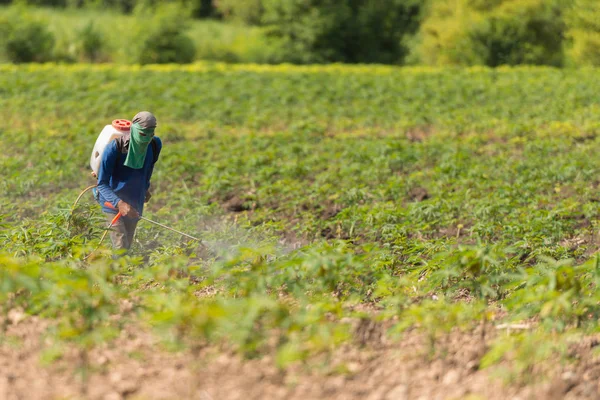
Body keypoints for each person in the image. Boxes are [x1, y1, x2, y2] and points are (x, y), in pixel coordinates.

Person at [95, 111, 162, 251]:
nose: (147, 139)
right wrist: (119, 203)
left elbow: (148, 169)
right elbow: (102, 184)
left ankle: (121, 271)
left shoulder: (155, 145)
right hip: (112, 201)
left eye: (151, 134)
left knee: (127, 246)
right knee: (120, 246)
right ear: (133, 129)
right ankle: (115, 271)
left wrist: (145, 188)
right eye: (143, 134)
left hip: (135, 201)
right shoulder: (114, 148)